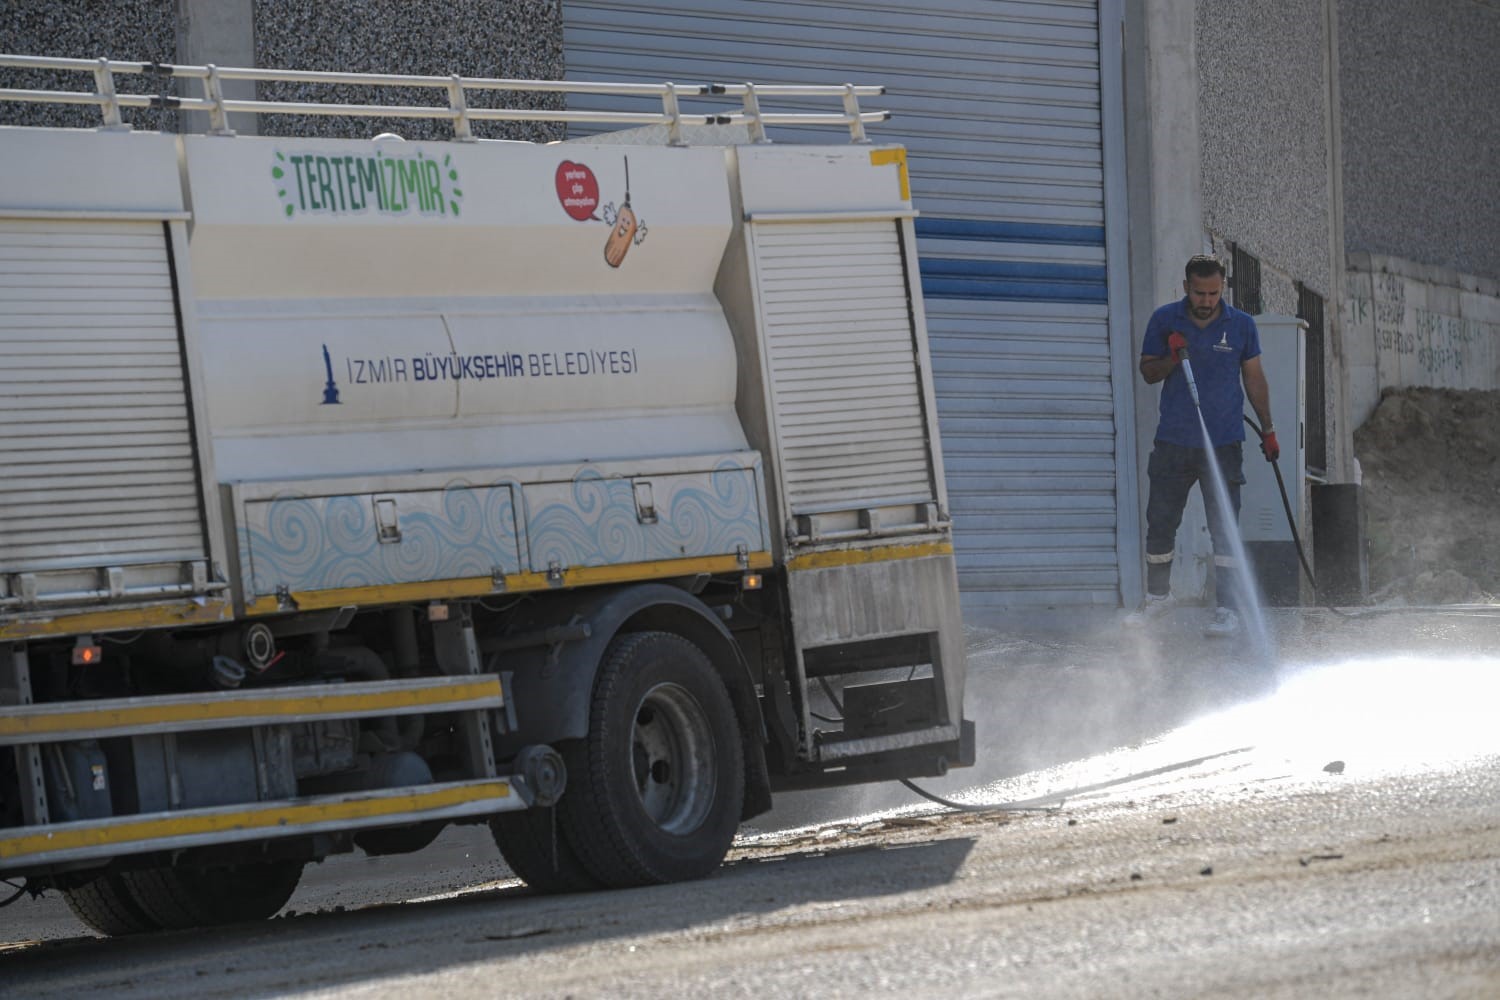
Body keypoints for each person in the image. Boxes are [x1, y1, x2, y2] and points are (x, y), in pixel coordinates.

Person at [1124, 254, 1278, 637]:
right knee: (1160, 522)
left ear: (1221, 287)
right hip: (1174, 442)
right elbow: (1147, 372)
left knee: (1224, 527)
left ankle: (1226, 609)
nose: (1207, 301)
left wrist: (1269, 429)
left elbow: (1254, 378)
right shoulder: (1165, 320)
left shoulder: (1240, 325)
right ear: (1186, 288)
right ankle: (1159, 598)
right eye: (1199, 293)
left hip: (1223, 443)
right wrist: (1172, 358)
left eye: (1213, 293)